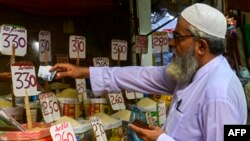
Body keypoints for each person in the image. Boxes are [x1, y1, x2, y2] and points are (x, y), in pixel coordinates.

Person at [50, 3, 247, 141]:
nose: (171, 43)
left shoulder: (218, 94)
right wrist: (83, 72)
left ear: (201, 47)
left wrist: (161, 138)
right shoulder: (192, 72)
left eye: (177, 37)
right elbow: (141, 75)